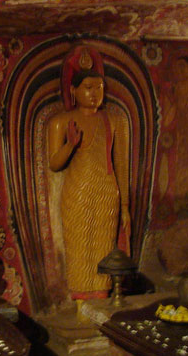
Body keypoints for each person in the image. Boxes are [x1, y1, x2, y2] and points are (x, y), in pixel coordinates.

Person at [47, 46, 130, 306]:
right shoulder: (61, 122)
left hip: (107, 191)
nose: (94, 93)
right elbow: (54, 164)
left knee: (104, 248)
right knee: (80, 247)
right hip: (78, 192)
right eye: (88, 88)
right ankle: (82, 306)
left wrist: (125, 206)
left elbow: (121, 163)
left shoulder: (114, 120)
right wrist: (70, 145)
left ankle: (101, 302)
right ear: (73, 91)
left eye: (99, 88)